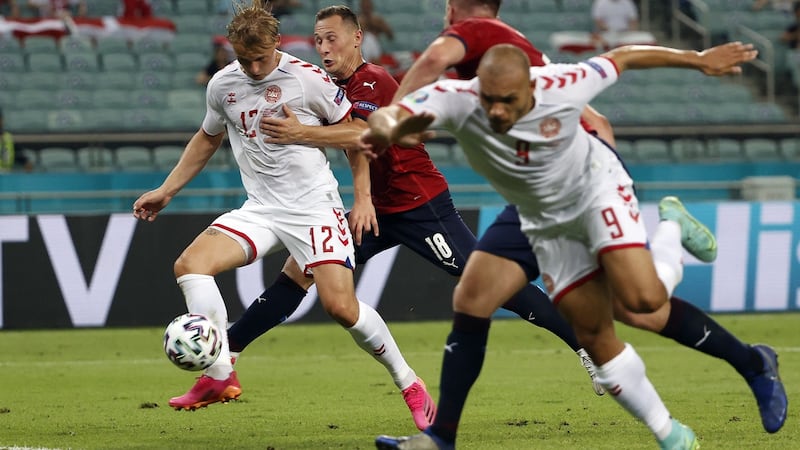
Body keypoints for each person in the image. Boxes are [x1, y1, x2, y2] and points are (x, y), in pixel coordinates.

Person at [390, 0, 787, 437]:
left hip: (584, 189)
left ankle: (676, 237)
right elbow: (591, 114)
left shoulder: (479, 33)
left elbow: (433, 60)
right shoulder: (483, 75)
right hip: (537, 206)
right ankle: (443, 436)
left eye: (449, 6)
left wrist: (397, 109)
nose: (445, 17)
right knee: (489, 302)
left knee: (642, 306)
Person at [223, 4, 603, 429]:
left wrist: (303, 135)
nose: (324, 48)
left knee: (491, 285)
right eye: (318, 41)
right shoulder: (319, 85)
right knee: (299, 273)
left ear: (356, 37)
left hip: (418, 205)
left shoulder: (377, 81)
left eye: (332, 38)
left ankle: (585, 342)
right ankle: (226, 352)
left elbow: (366, 137)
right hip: (373, 211)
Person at [132, 0, 435, 429]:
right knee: (191, 265)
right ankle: (220, 373)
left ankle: (409, 383)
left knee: (341, 308)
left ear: (277, 43)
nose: (254, 69)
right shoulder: (222, 85)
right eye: (245, 60)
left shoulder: (307, 80)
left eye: (260, 59)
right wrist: (166, 190)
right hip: (260, 208)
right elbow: (206, 138)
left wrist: (357, 192)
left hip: (314, 209)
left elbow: (359, 134)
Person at [0, 108, 33, 173]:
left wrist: (26, 163)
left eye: (0, 118)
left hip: (6, 176)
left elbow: (23, 158)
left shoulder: (9, 138)